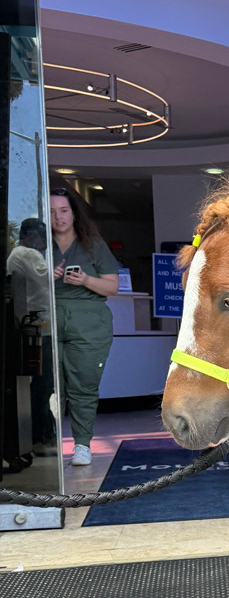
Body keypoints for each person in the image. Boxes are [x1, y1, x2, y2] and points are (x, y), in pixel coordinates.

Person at [50, 186, 119, 465]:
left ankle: (81, 445)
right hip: (48, 320)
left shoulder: (93, 244)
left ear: (74, 213)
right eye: (52, 212)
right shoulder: (37, 244)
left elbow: (112, 287)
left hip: (88, 325)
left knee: (83, 386)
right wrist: (46, 276)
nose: (59, 217)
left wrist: (86, 281)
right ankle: (48, 446)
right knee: (49, 389)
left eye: (64, 210)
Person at [6, 218, 57, 454]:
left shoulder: (18, 254)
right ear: (27, 235)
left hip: (32, 326)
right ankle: (40, 437)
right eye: (41, 237)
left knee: (40, 384)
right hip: (39, 328)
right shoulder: (27, 254)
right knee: (43, 384)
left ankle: (42, 435)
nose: (45, 243)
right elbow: (50, 278)